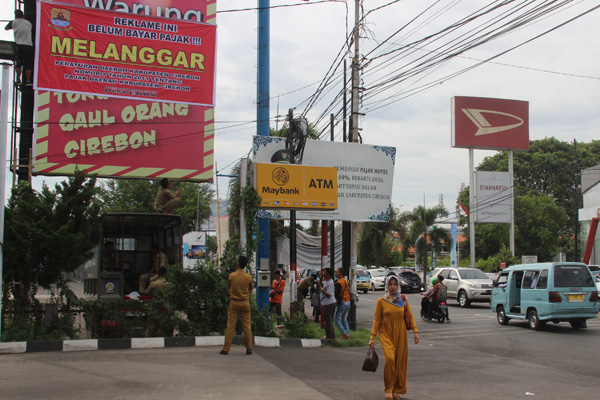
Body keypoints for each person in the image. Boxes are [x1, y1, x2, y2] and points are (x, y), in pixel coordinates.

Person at [369, 275, 419, 400]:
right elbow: (377, 319)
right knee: (390, 359)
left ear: (398, 285)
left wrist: (415, 331)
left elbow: (410, 316)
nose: (392, 287)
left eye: (395, 284)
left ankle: (396, 389)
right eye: (390, 284)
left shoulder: (403, 300)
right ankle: (388, 389)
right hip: (386, 332)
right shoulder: (381, 301)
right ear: (387, 285)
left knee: (399, 361)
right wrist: (372, 336)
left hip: (400, 332)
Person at [221, 255, 254, 355]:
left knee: (230, 326)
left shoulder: (231, 276)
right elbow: (250, 289)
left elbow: (229, 286)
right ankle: (249, 349)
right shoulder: (248, 277)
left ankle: (226, 349)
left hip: (234, 302)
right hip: (245, 302)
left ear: (238, 264)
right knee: (247, 326)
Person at [5, 10, 33, 86]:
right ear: (23, 15)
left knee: (18, 63)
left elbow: (6, 28)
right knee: (28, 64)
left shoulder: (13, 22)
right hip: (28, 45)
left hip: (18, 45)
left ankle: (18, 79)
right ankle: (28, 80)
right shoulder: (28, 23)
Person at [317, 268, 337, 340]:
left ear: (328, 274)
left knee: (328, 320)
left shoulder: (330, 283)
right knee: (328, 320)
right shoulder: (327, 282)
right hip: (325, 303)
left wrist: (321, 289)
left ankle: (329, 336)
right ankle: (331, 335)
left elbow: (329, 294)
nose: (323, 273)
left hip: (329, 303)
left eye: (324, 272)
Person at [334, 268, 351, 340]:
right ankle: (347, 335)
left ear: (340, 273)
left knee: (336, 319)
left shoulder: (339, 283)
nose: (335, 273)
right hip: (348, 302)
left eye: (337, 272)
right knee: (344, 319)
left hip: (343, 302)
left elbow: (337, 294)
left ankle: (344, 333)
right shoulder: (345, 281)